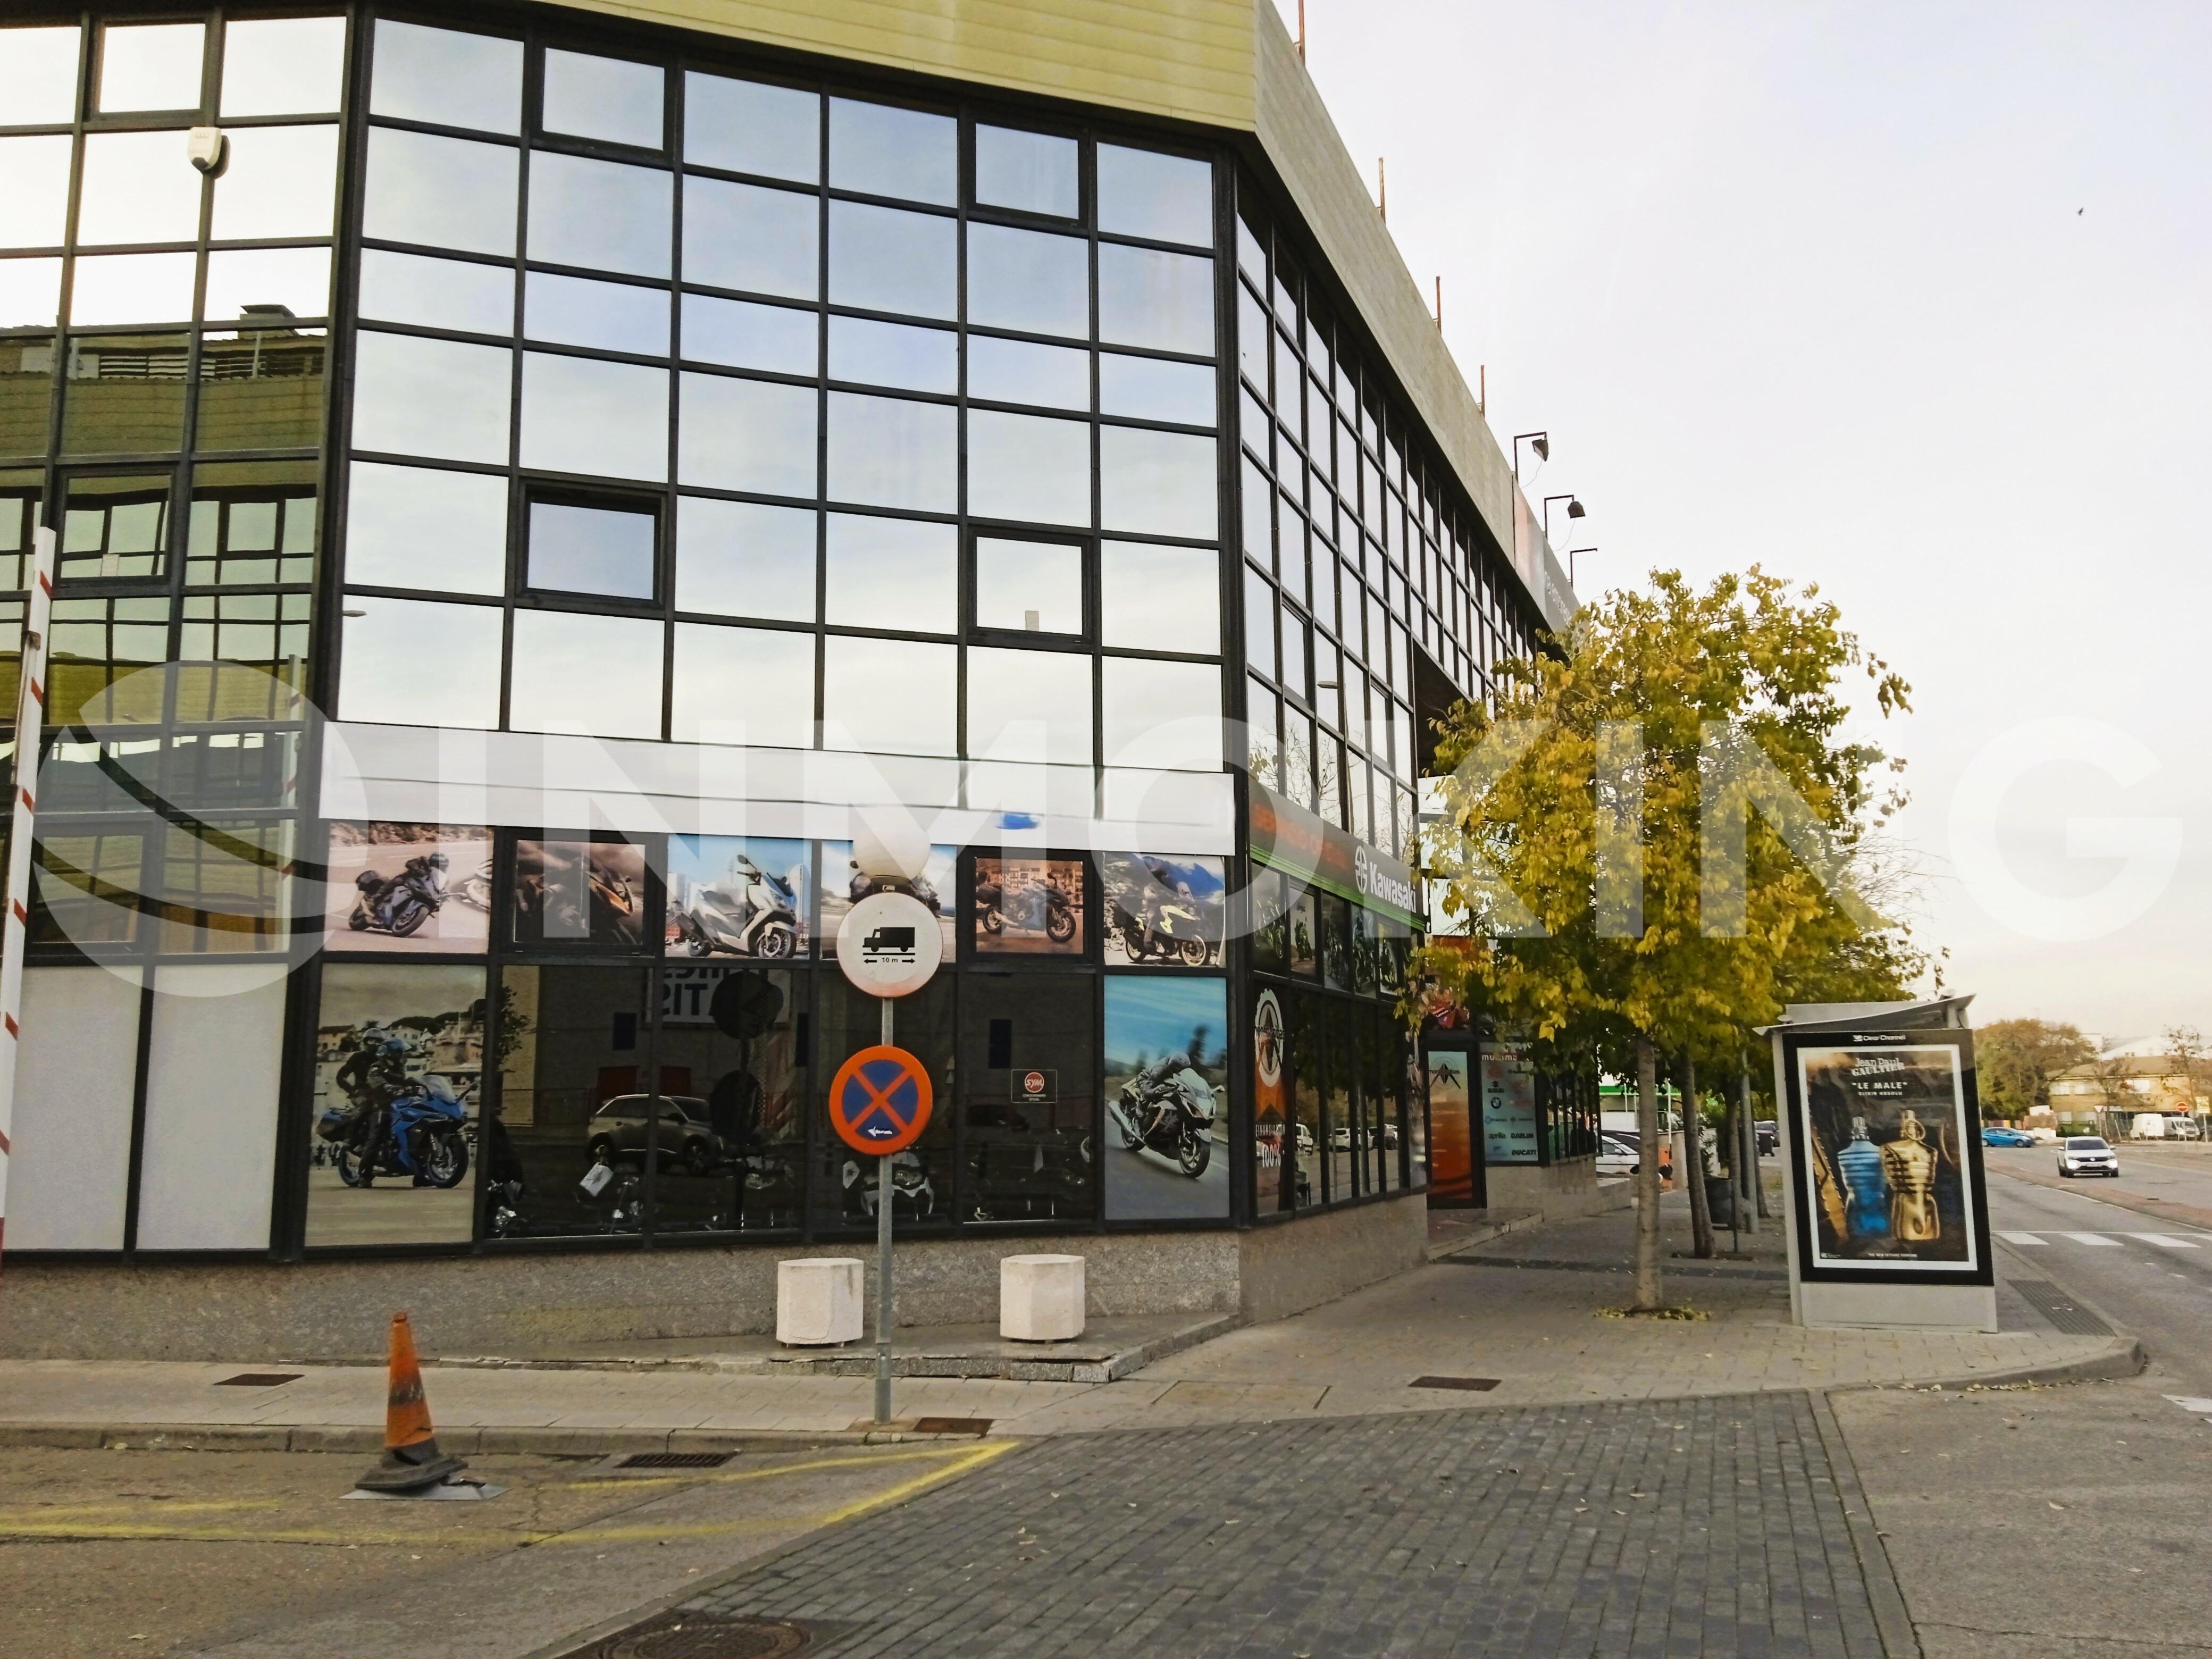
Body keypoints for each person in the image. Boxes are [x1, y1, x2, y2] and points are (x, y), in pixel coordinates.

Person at [334, 1030, 412, 1185]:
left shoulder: (387, 1060)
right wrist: (353, 1092)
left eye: (378, 1041)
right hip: (363, 1092)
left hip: (383, 1094)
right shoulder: (359, 1057)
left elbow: (399, 1080)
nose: (375, 1044)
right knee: (366, 1111)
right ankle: (349, 1141)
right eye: (372, 1041)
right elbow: (341, 1077)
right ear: (365, 1042)